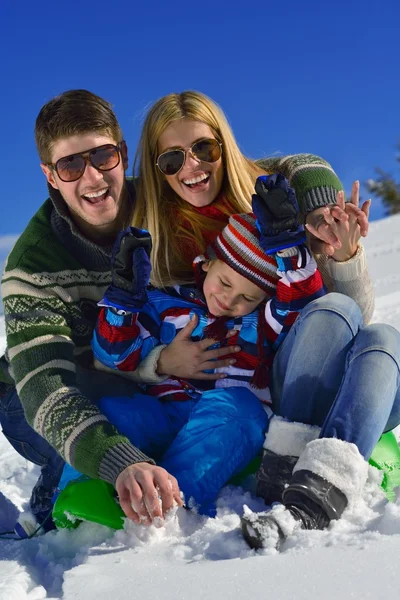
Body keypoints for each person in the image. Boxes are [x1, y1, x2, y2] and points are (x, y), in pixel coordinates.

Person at [0, 88, 372, 535]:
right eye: (71, 165)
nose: (93, 177)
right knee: (100, 410)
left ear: (121, 154)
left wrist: (319, 208)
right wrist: (123, 452)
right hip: (40, 397)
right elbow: (47, 391)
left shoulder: (159, 198)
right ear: (50, 175)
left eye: (102, 157)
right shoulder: (34, 264)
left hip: (159, 387)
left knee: (230, 414)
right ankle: (62, 488)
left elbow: (284, 167)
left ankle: (171, 493)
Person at [85, 174, 326, 513]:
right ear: (206, 263)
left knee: (242, 410)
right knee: (115, 410)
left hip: (220, 425)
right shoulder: (166, 306)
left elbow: (302, 302)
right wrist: (124, 301)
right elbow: (116, 355)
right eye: (224, 283)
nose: (229, 300)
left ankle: (176, 501)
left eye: (247, 297)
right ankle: (84, 492)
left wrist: (288, 248)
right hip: (163, 414)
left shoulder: (260, 323)